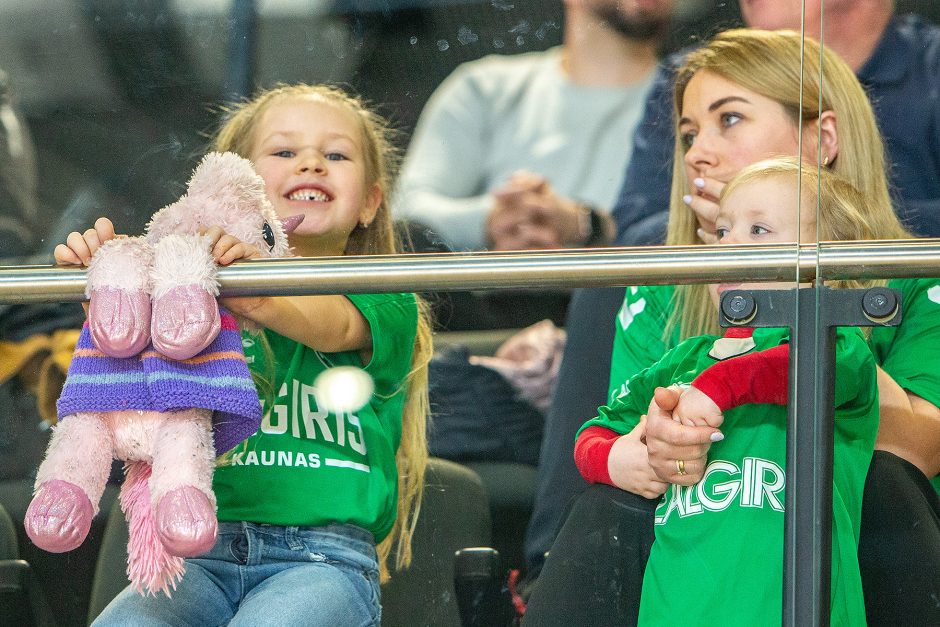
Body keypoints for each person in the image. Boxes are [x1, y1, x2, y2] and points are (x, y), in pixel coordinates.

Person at [523, 29, 940, 625]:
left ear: (822, 139)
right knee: (607, 507)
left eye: (730, 120)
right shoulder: (657, 290)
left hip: (859, 555)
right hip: (694, 557)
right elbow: (627, 437)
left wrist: (800, 278)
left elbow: (914, 453)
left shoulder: (918, 273)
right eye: (689, 133)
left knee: (885, 484)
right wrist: (656, 441)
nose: (697, 153)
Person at [53, 84, 432, 627]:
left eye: (336, 155)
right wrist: (112, 280)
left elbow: (327, 326)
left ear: (371, 202)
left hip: (321, 560)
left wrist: (247, 288)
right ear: (231, 187)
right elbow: (124, 372)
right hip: (194, 557)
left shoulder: (386, 294)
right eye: (284, 152)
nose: (311, 164)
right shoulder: (189, 294)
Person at [569, 157, 883, 625]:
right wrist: (619, 460)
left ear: (826, 266)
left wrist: (719, 386)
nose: (730, 245)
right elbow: (595, 430)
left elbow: (805, 369)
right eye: (722, 231)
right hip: (673, 611)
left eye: (758, 230)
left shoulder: (836, 344)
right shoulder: (683, 360)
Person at [394, 0, 674, 253]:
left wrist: (584, 225)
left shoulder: (691, 106)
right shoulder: (483, 89)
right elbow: (404, 214)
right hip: (481, 302)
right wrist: (491, 220)